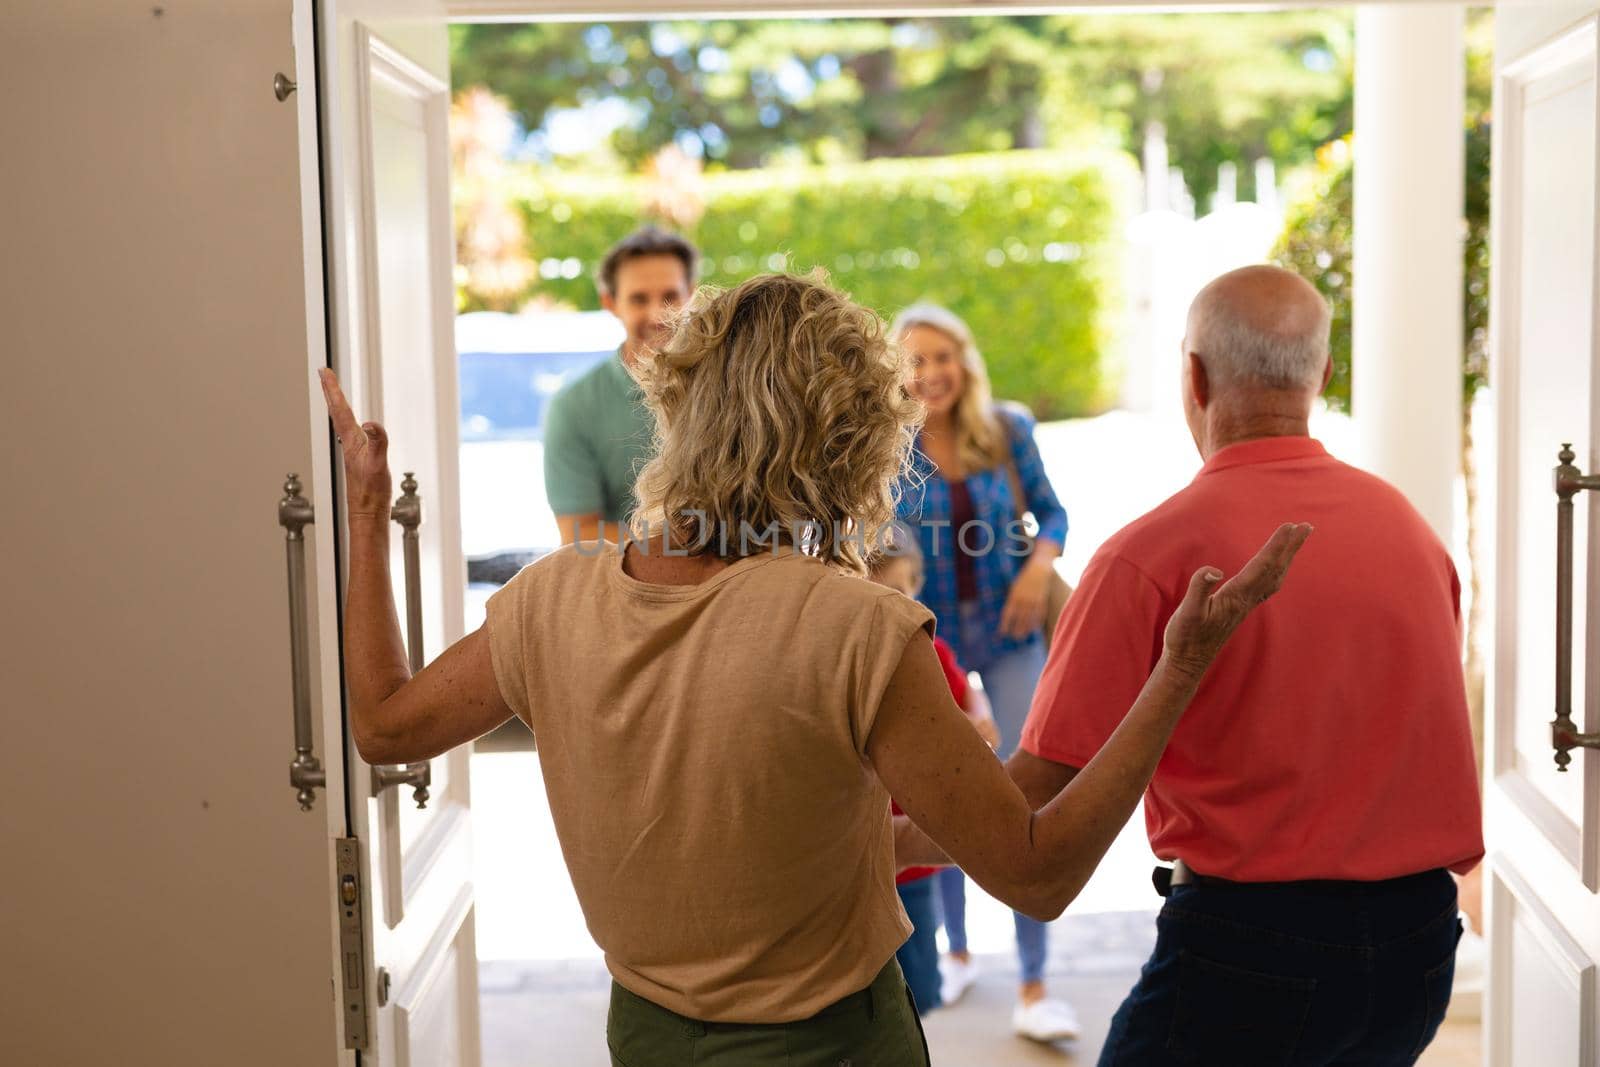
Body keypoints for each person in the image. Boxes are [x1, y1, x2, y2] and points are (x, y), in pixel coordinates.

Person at [316, 271, 1309, 1067]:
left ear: (680, 407)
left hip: (645, 1036)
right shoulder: (856, 629)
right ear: (852, 440)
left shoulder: (549, 599)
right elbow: (1039, 874)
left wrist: (365, 515)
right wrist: (1177, 669)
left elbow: (384, 724)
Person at [1010, 265, 1484, 1066]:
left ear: (1192, 376)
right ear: (1322, 373)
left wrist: (882, 836)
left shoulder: (1147, 557)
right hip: (1419, 945)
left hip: (1251, 952)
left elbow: (1035, 795)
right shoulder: (1409, 530)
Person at [890, 303, 1078, 1042]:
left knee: (1022, 801)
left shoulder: (1008, 430)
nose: (932, 371)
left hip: (1009, 638)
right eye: (916, 359)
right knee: (947, 798)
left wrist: (1038, 569)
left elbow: (1054, 514)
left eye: (943, 355)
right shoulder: (888, 446)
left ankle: (1034, 980)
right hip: (928, 653)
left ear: (964, 360)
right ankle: (958, 949)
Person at [869, 533, 999, 1015]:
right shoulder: (856, 659)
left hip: (918, 856)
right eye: (881, 594)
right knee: (876, 984)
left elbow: (969, 691)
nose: (895, 606)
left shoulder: (929, 650)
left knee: (920, 986)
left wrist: (979, 714)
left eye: (903, 592)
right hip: (868, 852)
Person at [543, 227, 698, 544]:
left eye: (670, 296)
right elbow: (580, 537)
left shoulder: (730, 391)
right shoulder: (574, 408)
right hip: (624, 589)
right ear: (610, 302)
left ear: (691, 294)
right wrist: (699, 541)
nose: (658, 315)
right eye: (639, 299)